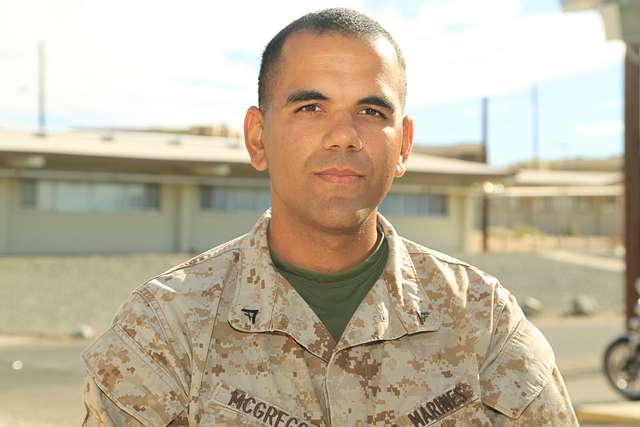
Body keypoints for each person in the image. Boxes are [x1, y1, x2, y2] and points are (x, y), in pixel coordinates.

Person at [82, 8, 578, 426]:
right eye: (311, 107)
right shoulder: (166, 328)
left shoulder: (483, 321)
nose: (344, 136)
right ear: (257, 138)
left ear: (403, 145)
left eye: (371, 111)